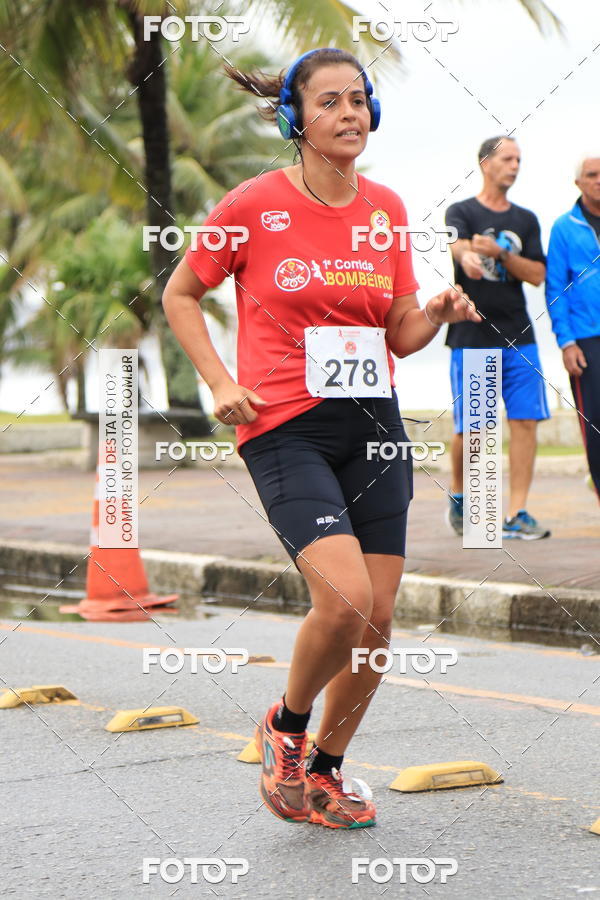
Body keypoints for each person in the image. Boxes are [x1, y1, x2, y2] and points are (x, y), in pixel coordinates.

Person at [162, 47, 479, 830]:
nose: (350, 114)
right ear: (293, 118)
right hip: (283, 426)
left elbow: (399, 334)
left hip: (374, 427)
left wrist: (436, 314)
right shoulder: (252, 204)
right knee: (343, 600)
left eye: (360, 100)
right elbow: (181, 294)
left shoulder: (385, 209)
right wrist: (220, 383)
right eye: (330, 101)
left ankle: (330, 771)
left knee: (377, 620)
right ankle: (287, 726)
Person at [444, 136, 551, 539]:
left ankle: (517, 513)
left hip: (520, 336)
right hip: (472, 334)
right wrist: (469, 256)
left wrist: (502, 255)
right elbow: (457, 247)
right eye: (507, 158)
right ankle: (464, 498)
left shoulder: (526, 219)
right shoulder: (462, 210)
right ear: (485, 162)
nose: (515, 165)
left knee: (525, 423)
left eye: (519, 159)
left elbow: (538, 275)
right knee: (475, 428)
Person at [545, 155, 600, 502]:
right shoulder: (564, 227)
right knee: (595, 429)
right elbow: (555, 290)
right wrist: (567, 342)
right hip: (586, 340)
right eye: (592, 175)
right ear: (578, 182)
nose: (599, 180)